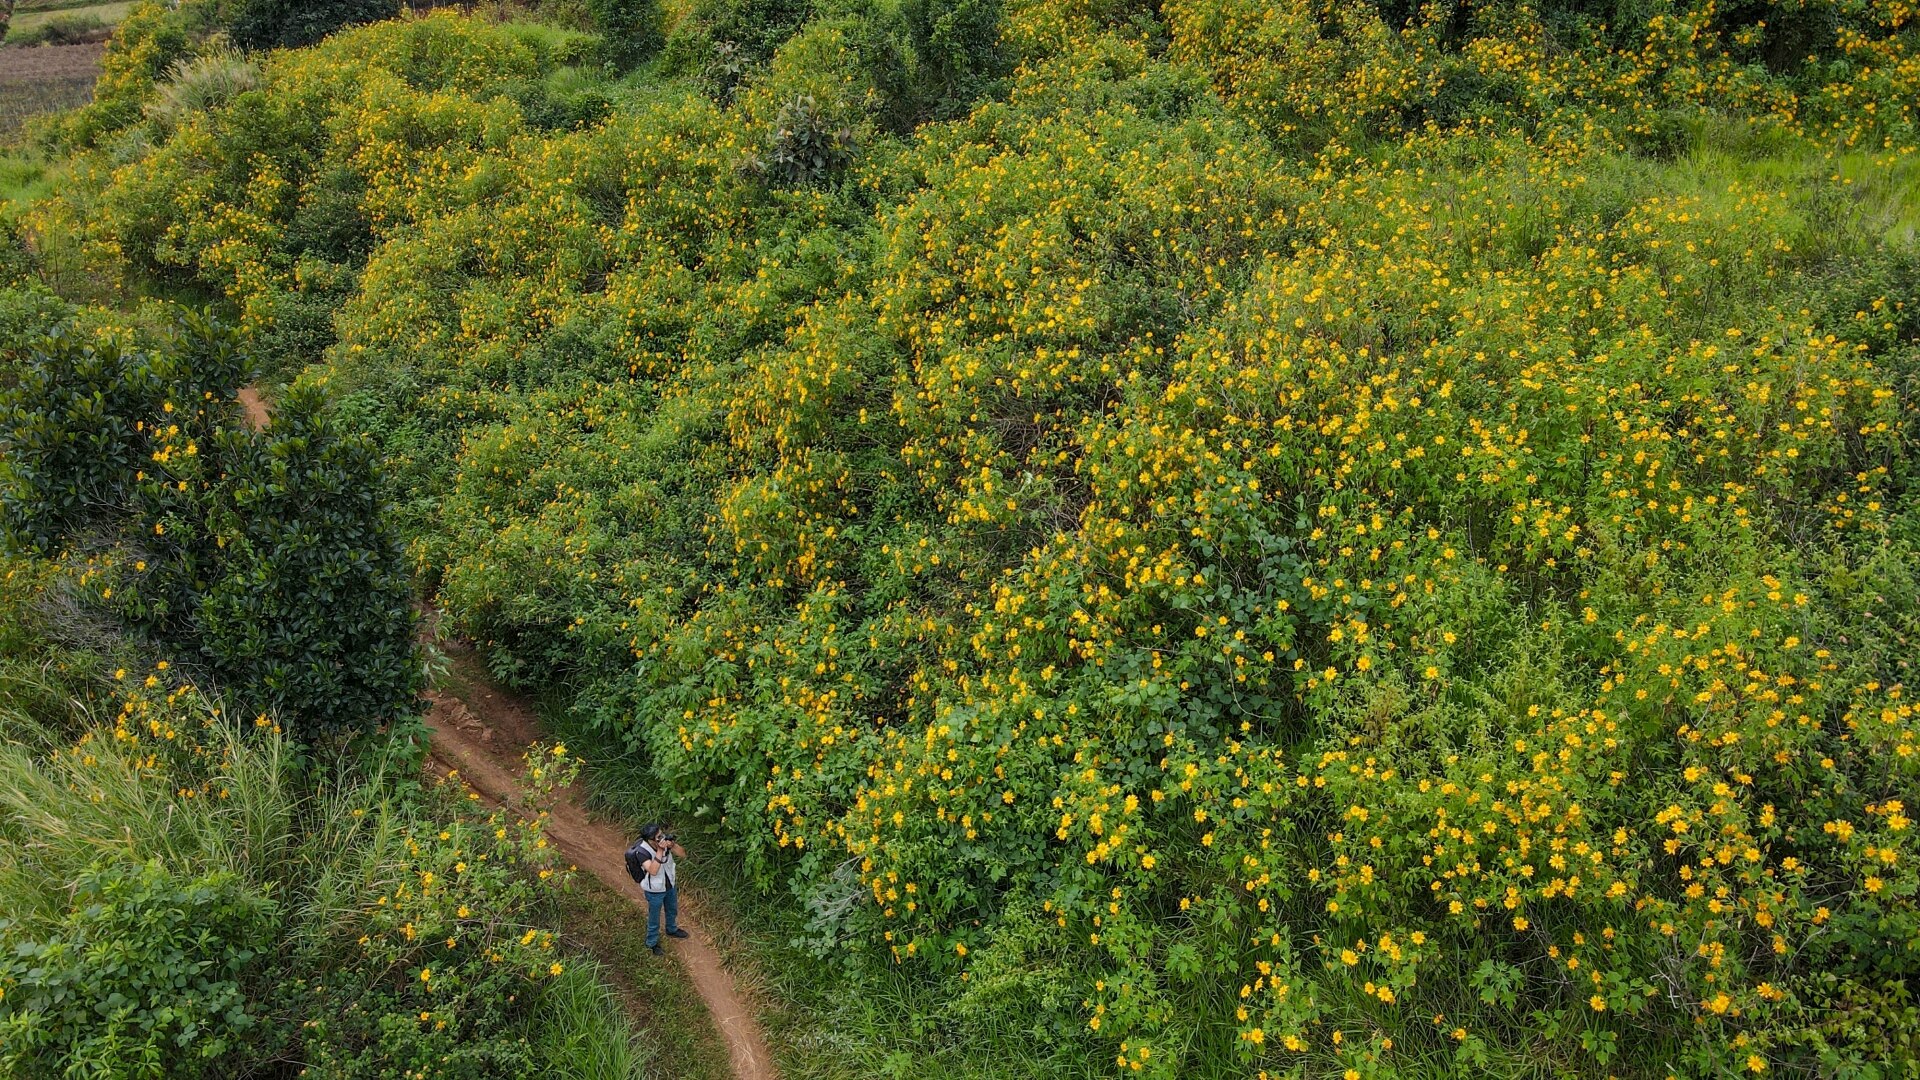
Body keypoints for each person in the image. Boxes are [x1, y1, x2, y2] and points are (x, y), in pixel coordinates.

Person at [634, 823, 689, 955]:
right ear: (651, 840)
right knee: (654, 918)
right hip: (654, 891)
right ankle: (651, 943)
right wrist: (660, 851)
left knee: (672, 909)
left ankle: (671, 929)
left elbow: (683, 854)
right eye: (659, 837)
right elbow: (652, 870)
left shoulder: (665, 844)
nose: (662, 838)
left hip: (669, 883)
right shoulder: (641, 852)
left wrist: (673, 845)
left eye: (662, 834)